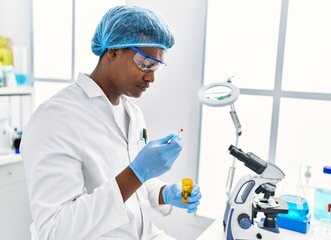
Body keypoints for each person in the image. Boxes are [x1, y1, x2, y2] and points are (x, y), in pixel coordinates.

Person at [20, 5, 202, 240]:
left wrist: (164, 193)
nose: (152, 77)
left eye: (156, 66)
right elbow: (54, 231)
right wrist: (138, 173)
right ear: (113, 51)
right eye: (145, 63)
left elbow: (132, 184)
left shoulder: (132, 113)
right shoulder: (56, 117)